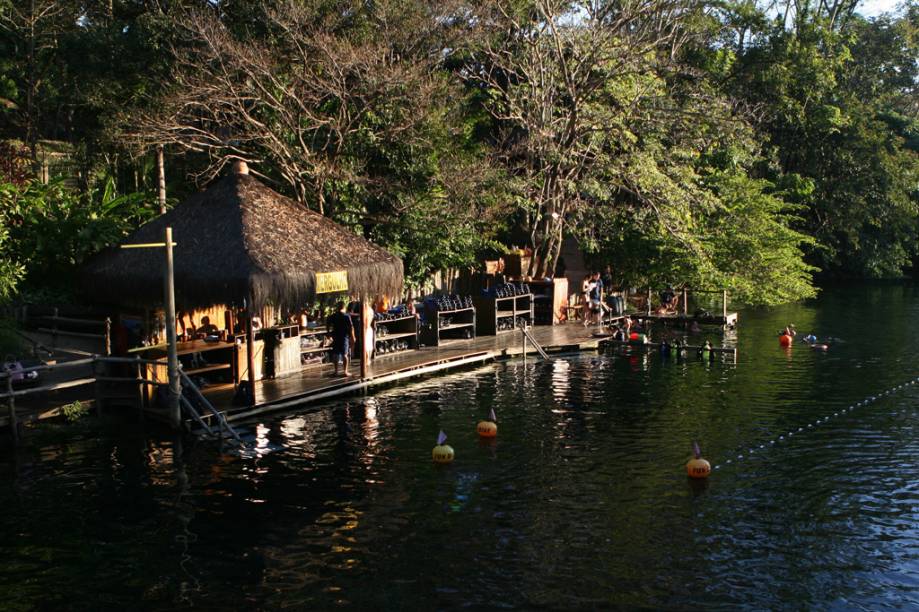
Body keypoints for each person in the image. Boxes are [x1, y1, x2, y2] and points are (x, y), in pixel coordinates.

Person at [326, 301, 356, 376]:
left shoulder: (333, 316)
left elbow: (327, 323)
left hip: (336, 336)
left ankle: (336, 371)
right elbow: (351, 327)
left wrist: (328, 333)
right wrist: (353, 336)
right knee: (345, 354)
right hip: (344, 336)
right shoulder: (346, 316)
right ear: (344, 307)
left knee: (336, 354)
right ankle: (345, 371)